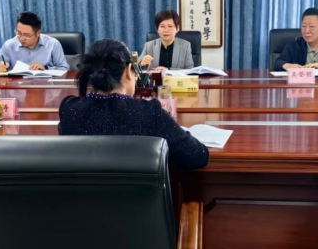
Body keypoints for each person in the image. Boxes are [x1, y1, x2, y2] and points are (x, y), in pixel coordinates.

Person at [60, 39, 209, 170]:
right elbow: (198, 156)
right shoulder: (150, 112)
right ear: (127, 71)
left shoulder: (69, 109)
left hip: (85, 194)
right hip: (140, 195)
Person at [274, 7, 318, 71]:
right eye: (304, 26)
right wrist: (287, 65)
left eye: (311, 26)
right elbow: (278, 62)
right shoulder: (294, 45)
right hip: (301, 82)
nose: (306, 31)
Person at [0, 11, 69, 72]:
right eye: (19, 33)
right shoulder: (9, 45)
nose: (21, 38)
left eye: (26, 35)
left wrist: (45, 68)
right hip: (18, 83)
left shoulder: (53, 44)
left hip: (45, 82)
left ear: (38, 33)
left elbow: (65, 68)